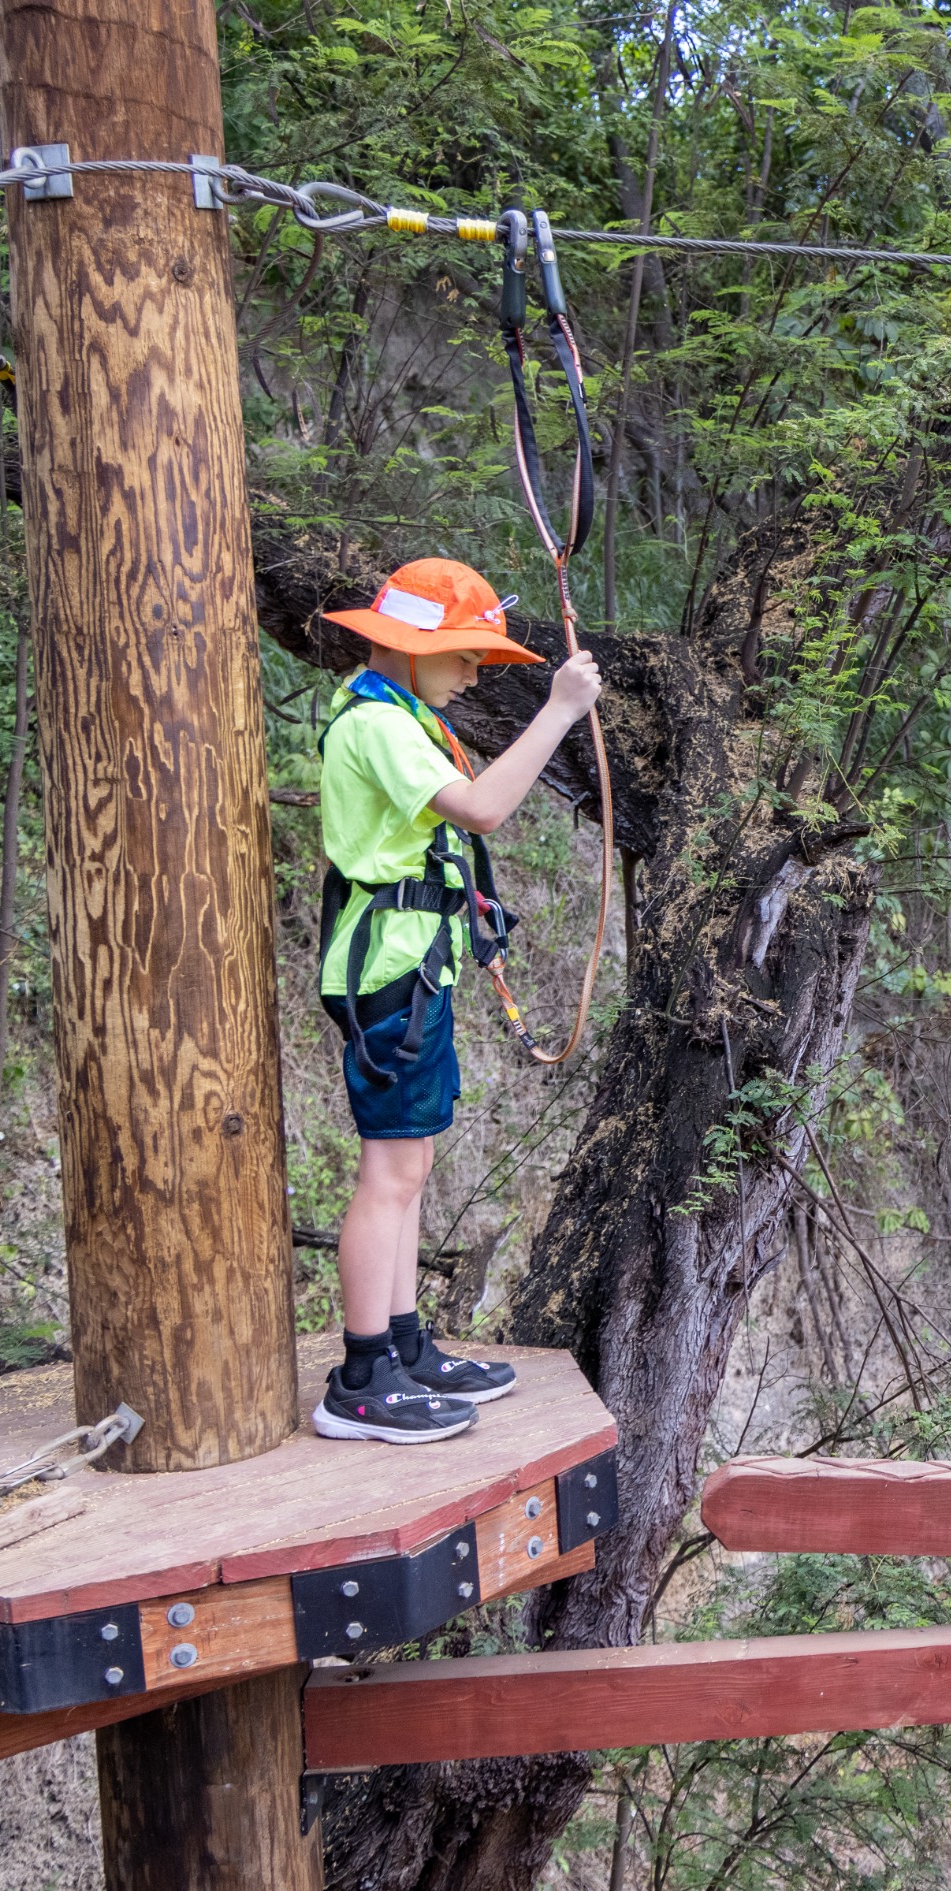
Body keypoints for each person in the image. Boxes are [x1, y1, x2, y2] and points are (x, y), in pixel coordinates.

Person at [310, 558, 601, 1444]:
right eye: (467, 657)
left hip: (413, 968)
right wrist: (557, 711)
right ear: (412, 647)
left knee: (411, 1169)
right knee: (390, 1175)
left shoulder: (401, 714)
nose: (476, 675)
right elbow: (479, 809)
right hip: (387, 976)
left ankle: (400, 1346)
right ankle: (361, 1380)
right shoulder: (380, 726)